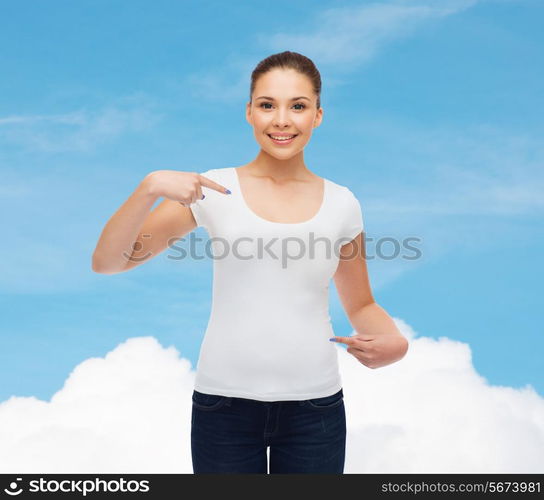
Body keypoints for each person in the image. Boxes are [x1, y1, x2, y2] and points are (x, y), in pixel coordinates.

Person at [92, 50, 409, 474]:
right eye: (267, 105)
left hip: (316, 410)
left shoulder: (343, 204)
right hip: (223, 408)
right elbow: (110, 262)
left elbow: (362, 304)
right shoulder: (212, 189)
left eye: (298, 106)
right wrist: (148, 189)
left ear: (318, 115)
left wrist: (394, 341)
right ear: (249, 112)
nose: (282, 120)